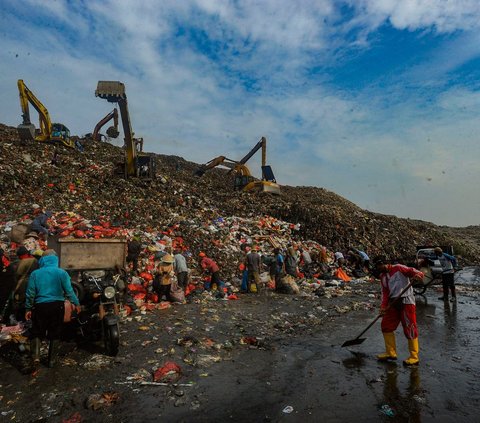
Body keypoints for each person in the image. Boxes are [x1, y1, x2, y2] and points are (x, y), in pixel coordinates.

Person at [25, 250, 80, 367]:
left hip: (40, 306)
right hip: (57, 306)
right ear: (55, 260)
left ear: (42, 260)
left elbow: (30, 293)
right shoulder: (62, 273)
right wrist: (76, 303)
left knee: (36, 331)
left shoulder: (35, 274)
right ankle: (52, 361)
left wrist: (28, 308)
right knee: (55, 332)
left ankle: (35, 358)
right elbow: (69, 291)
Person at [373, 256, 424, 366]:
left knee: (410, 328)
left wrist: (418, 276)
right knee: (386, 326)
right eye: (378, 267)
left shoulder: (398, 268)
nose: (380, 269)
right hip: (393, 302)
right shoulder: (382, 276)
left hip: (406, 301)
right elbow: (385, 293)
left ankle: (414, 356)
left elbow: (415, 272)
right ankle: (391, 353)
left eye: (380, 266)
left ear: (385, 263)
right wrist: (383, 306)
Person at [12, 246, 39, 321]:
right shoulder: (36, 261)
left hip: (23, 290)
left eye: (20, 257)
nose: (20, 258)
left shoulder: (20, 263)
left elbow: (16, 275)